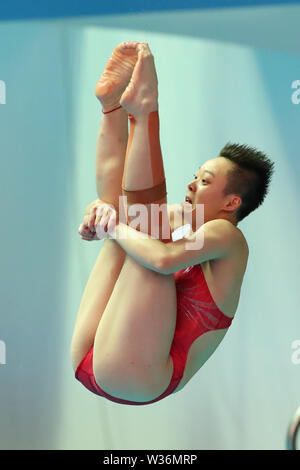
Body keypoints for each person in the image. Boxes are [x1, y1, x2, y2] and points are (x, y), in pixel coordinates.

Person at [71, 41, 275, 406]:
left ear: (232, 202)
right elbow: (122, 212)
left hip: (141, 375)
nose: (192, 184)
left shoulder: (227, 237)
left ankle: (145, 113)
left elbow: (163, 259)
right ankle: (112, 108)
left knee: (139, 227)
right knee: (125, 212)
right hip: (96, 356)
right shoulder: (185, 220)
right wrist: (99, 214)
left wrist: (114, 227)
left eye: (206, 181)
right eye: (196, 175)